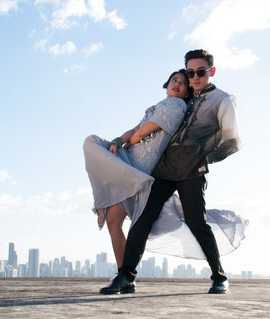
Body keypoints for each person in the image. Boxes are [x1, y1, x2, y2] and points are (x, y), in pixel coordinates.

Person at [100, 49, 241, 295]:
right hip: (164, 170)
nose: (195, 77)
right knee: (141, 220)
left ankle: (219, 276)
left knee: (197, 222)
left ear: (212, 72)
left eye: (201, 72)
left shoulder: (222, 99)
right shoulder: (184, 100)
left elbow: (233, 141)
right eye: (190, 73)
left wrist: (208, 157)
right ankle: (126, 277)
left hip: (192, 171)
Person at [83, 69, 192, 268]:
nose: (177, 83)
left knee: (114, 222)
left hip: (138, 168)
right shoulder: (155, 107)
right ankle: (124, 274)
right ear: (166, 85)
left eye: (183, 83)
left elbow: (140, 133)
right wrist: (118, 140)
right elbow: (133, 130)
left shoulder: (177, 105)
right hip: (129, 160)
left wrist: (130, 141)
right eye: (174, 80)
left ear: (187, 92)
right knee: (113, 223)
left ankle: (124, 273)